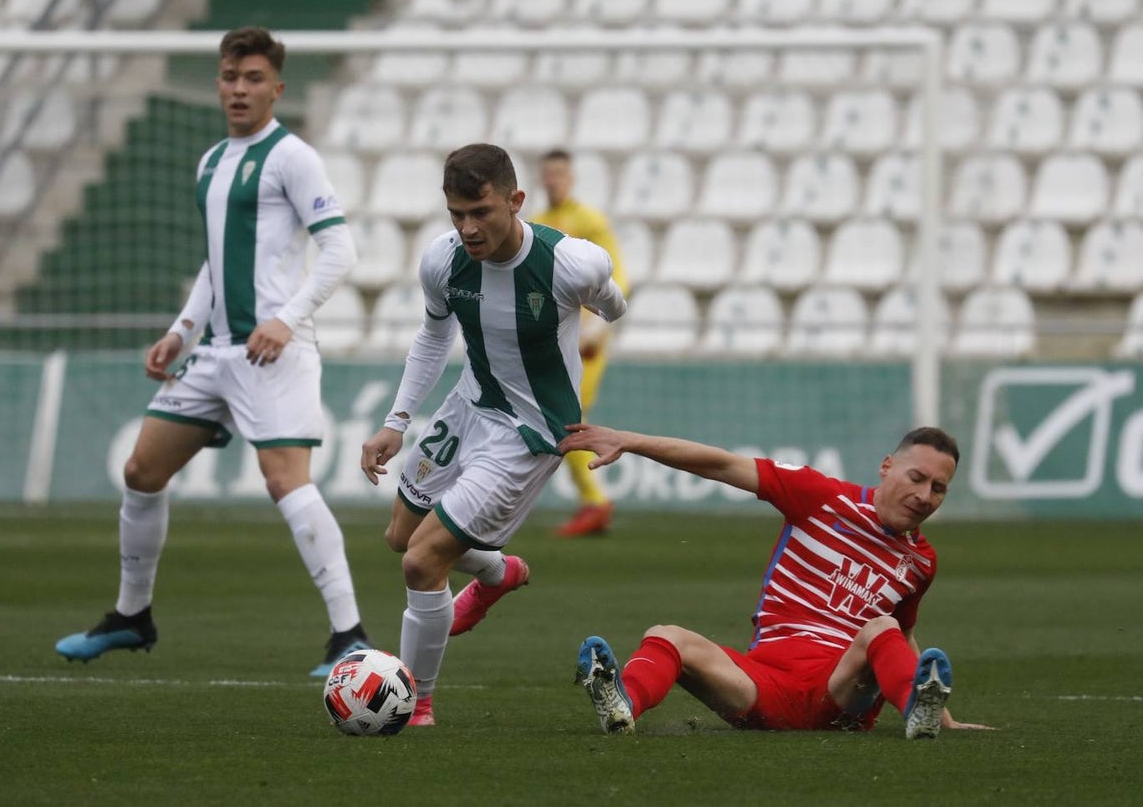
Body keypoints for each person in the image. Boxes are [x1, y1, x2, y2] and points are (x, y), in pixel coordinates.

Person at [55, 27, 372, 677]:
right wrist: (180, 330)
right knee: (143, 472)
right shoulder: (211, 162)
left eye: (253, 78)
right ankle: (132, 616)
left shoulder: (293, 157)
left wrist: (285, 319)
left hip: (274, 356)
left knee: (286, 482)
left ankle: (350, 634)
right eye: (230, 76)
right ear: (218, 82)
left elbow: (341, 249)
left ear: (277, 87)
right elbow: (216, 262)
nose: (238, 89)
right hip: (217, 354)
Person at [360, 143, 627, 726]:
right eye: (457, 214)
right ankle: (495, 571)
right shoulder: (443, 260)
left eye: (481, 211)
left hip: (529, 432)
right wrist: (395, 422)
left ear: (516, 201)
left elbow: (613, 306)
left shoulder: (569, 263)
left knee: (421, 562)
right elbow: (433, 338)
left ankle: (414, 703)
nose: (468, 227)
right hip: (468, 405)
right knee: (401, 538)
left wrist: (599, 302)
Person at [559, 423, 994, 739]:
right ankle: (622, 705)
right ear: (886, 467)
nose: (924, 496)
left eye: (939, 488)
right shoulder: (820, 497)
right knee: (666, 636)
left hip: (839, 694)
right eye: (917, 478)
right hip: (764, 684)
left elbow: (904, 637)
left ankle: (920, 714)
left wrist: (944, 715)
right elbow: (720, 463)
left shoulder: (921, 561)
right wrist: (629, 442)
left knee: (883, 627)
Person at [531, 149, 629, 538]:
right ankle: (593, 503)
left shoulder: (589, 221)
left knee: (568, 419)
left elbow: (617, 274)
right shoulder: (537, 223)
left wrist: (599, 327)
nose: (553, 179)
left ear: (570, 178)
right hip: (555, 336)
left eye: (559, 173)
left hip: (586, 337)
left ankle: (596, 503)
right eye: (548, 172)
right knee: (562, 421)